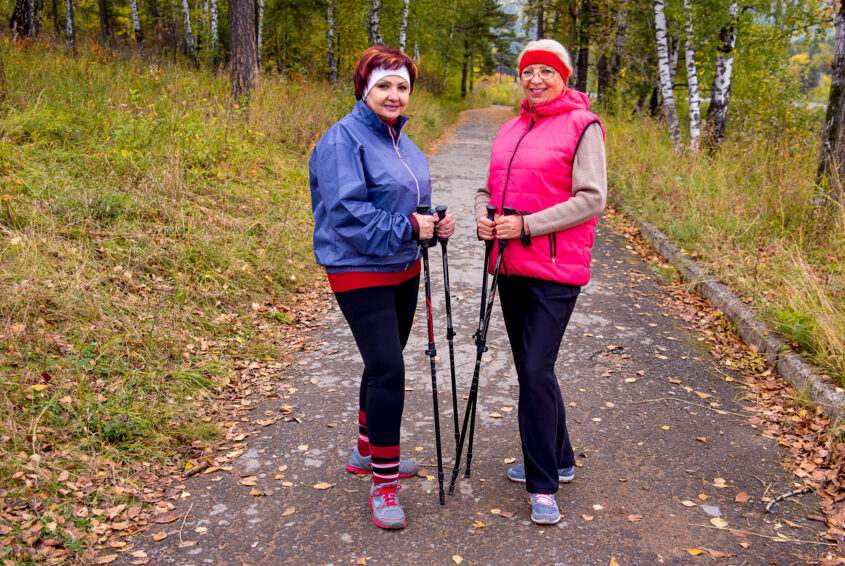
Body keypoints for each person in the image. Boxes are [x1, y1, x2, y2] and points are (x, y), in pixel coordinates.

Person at [309, 45, 455, 530]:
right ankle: (385, 482)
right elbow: (350, 216)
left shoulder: (403, 142)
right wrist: (410, 228)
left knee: (380, 362)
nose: (394, 95)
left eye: (402, 86)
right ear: (364, 89)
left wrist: (434, 222)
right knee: (390, 370)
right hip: (358, 268)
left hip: (403, 268)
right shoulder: (341, 141)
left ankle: (367, 452)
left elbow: (412, 205)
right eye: (384, 85)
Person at [475, 39, 607, 525]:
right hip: (509, 266)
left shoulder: (582, 126)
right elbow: (487, 189)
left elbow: (591, 198)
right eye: (528, 71)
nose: (535, 80)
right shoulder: (510, 128)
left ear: (563, 77)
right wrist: (483, 221)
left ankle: (542, 484)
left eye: (546, 72)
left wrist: (527, 225)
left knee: (533, 370)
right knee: (537, 369)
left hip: (555, 270)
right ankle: (563, 458)